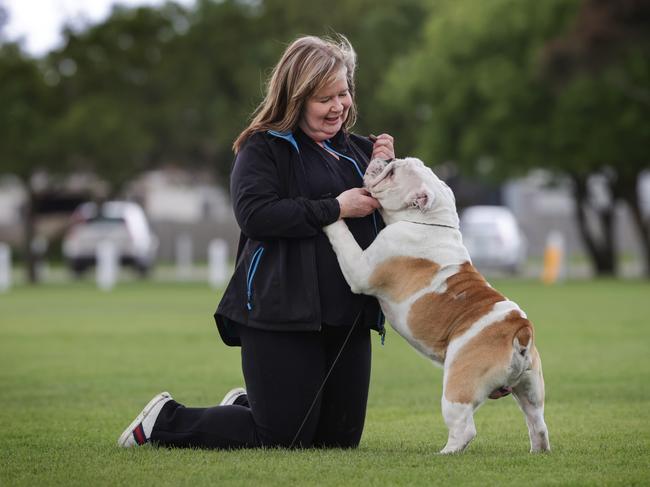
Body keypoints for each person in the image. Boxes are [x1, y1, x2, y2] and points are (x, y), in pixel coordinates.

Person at [118, 34, 395, 450]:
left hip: (347, 314)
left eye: (343, 94)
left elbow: (399, 219)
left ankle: (248, 405)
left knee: (337, 444)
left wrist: (387, 169)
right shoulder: (261, 147)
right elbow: (256, 215)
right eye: (324, 99)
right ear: (296, 98)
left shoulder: (361, 152)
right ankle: (163, 421)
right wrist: (335, 207)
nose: (338, 106)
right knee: (283, 438)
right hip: (278, 311)